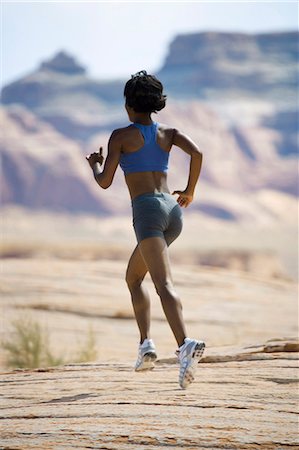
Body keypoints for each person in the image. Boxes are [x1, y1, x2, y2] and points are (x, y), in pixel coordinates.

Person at [86, 70, 205, 389]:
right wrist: (190, 191)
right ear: (155, 104)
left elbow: (105, 181)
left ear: (128, 105)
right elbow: (197, 153)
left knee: (162, 282)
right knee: (134, 277)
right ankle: (145, 346)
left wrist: (95, 164)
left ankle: (186, 345)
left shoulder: (121, 136)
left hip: (148, 212)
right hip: (172, 211)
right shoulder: (169, 132)